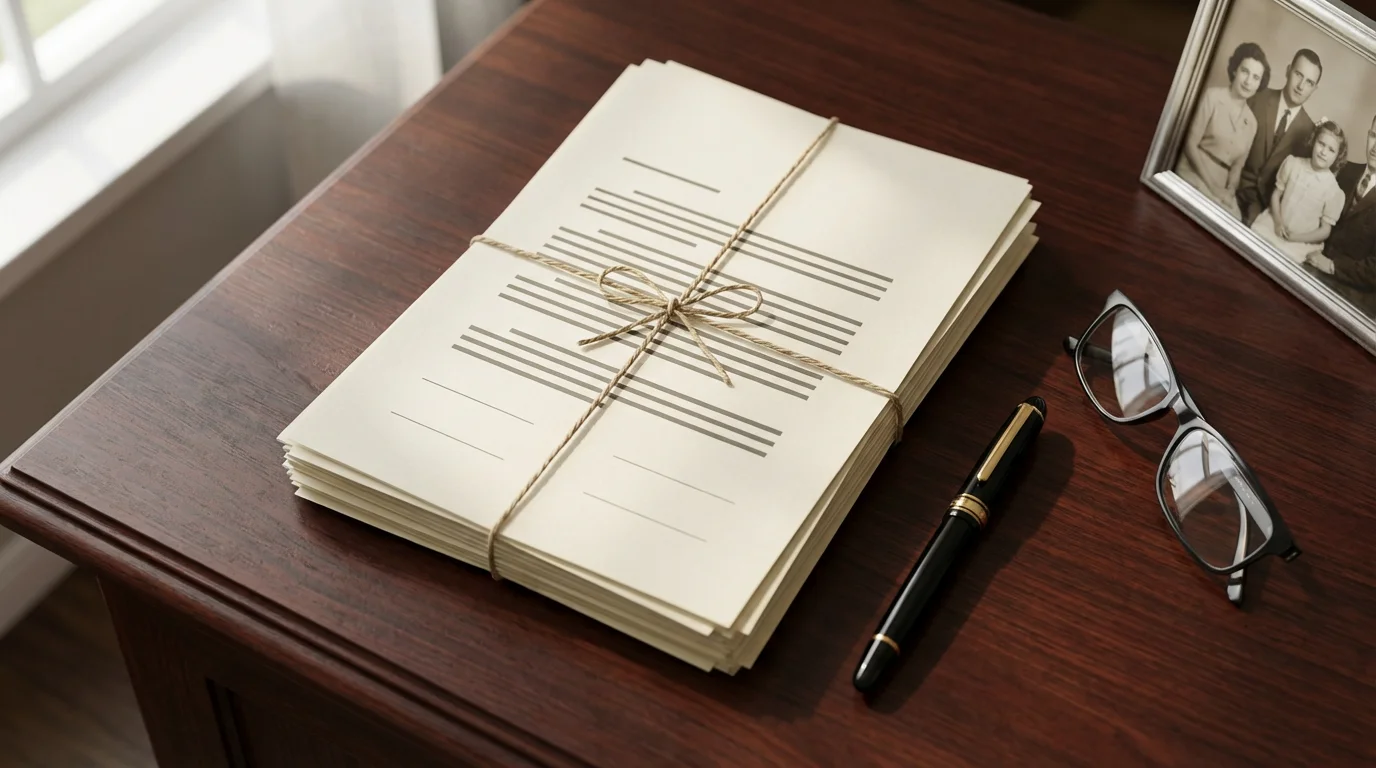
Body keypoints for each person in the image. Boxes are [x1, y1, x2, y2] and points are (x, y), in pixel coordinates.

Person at [1176, 42, 1268, 218]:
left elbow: (1237, 166)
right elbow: (1190, 144)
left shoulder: (1252, 123)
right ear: (1234, 70)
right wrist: (1213, 187)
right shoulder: (1213, 97)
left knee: (1235, 219)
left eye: (1256, 78)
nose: (1248, 81)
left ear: (1260, 84)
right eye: (1245, 71)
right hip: (1194, 170)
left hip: (1222, 182)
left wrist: (1231, 189)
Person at [1236, 49, 1323, 225]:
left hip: (1267, 210)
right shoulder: (1256, 97)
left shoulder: (1310, 133)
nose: (1301, 86)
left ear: (1314, 88)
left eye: (1309, 82)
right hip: (1231, 186)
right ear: (1288, 70)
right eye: (1298, 75)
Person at [1306, 115, 1376, 318]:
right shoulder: (1345, 170)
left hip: (1352, 296)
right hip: (1313, 265)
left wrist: (1332, 266)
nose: (1375, 146)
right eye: (1374, 135)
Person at [1250, 120, 1346, 264]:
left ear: (1338, 156)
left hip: (1301, 241)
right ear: (1313, 142)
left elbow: (1325, 231)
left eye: (1331, 150)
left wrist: (1296, 238)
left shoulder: (1333, 191)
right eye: (1321, 144)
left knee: (1287, 260)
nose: (1323, 152)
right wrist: (1277, 222)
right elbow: (1276, 194)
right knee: (1257, 241)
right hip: (1275, 225)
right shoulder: (1293, 164)